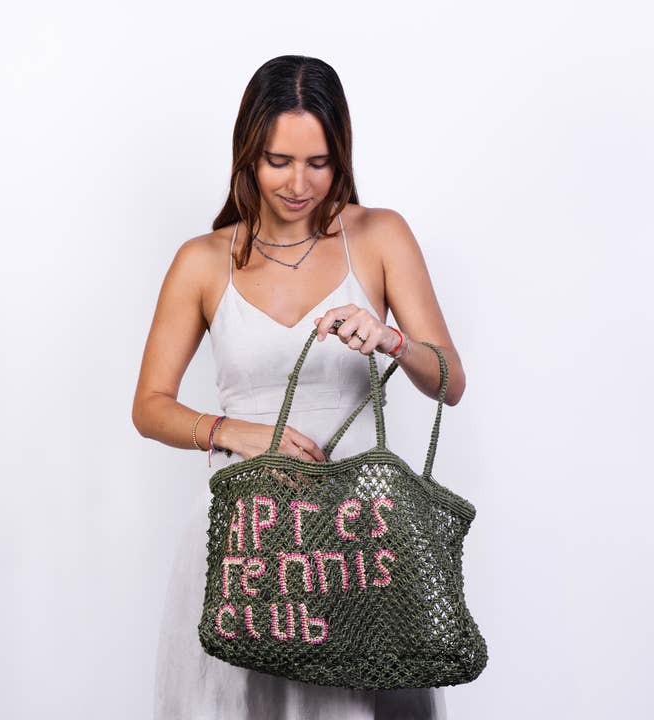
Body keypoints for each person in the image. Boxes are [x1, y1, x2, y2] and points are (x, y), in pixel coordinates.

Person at [132, 55, 464, 720]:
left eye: (319, 162)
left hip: (362, 543)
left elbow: (450, 382)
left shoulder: (378, 235)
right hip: (245, 545)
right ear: (248, 154)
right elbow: (149, 407)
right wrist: (240, 434)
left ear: (341, 155)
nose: (298, 183)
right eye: (278, 161)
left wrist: (392, 340)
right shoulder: (203, 260)